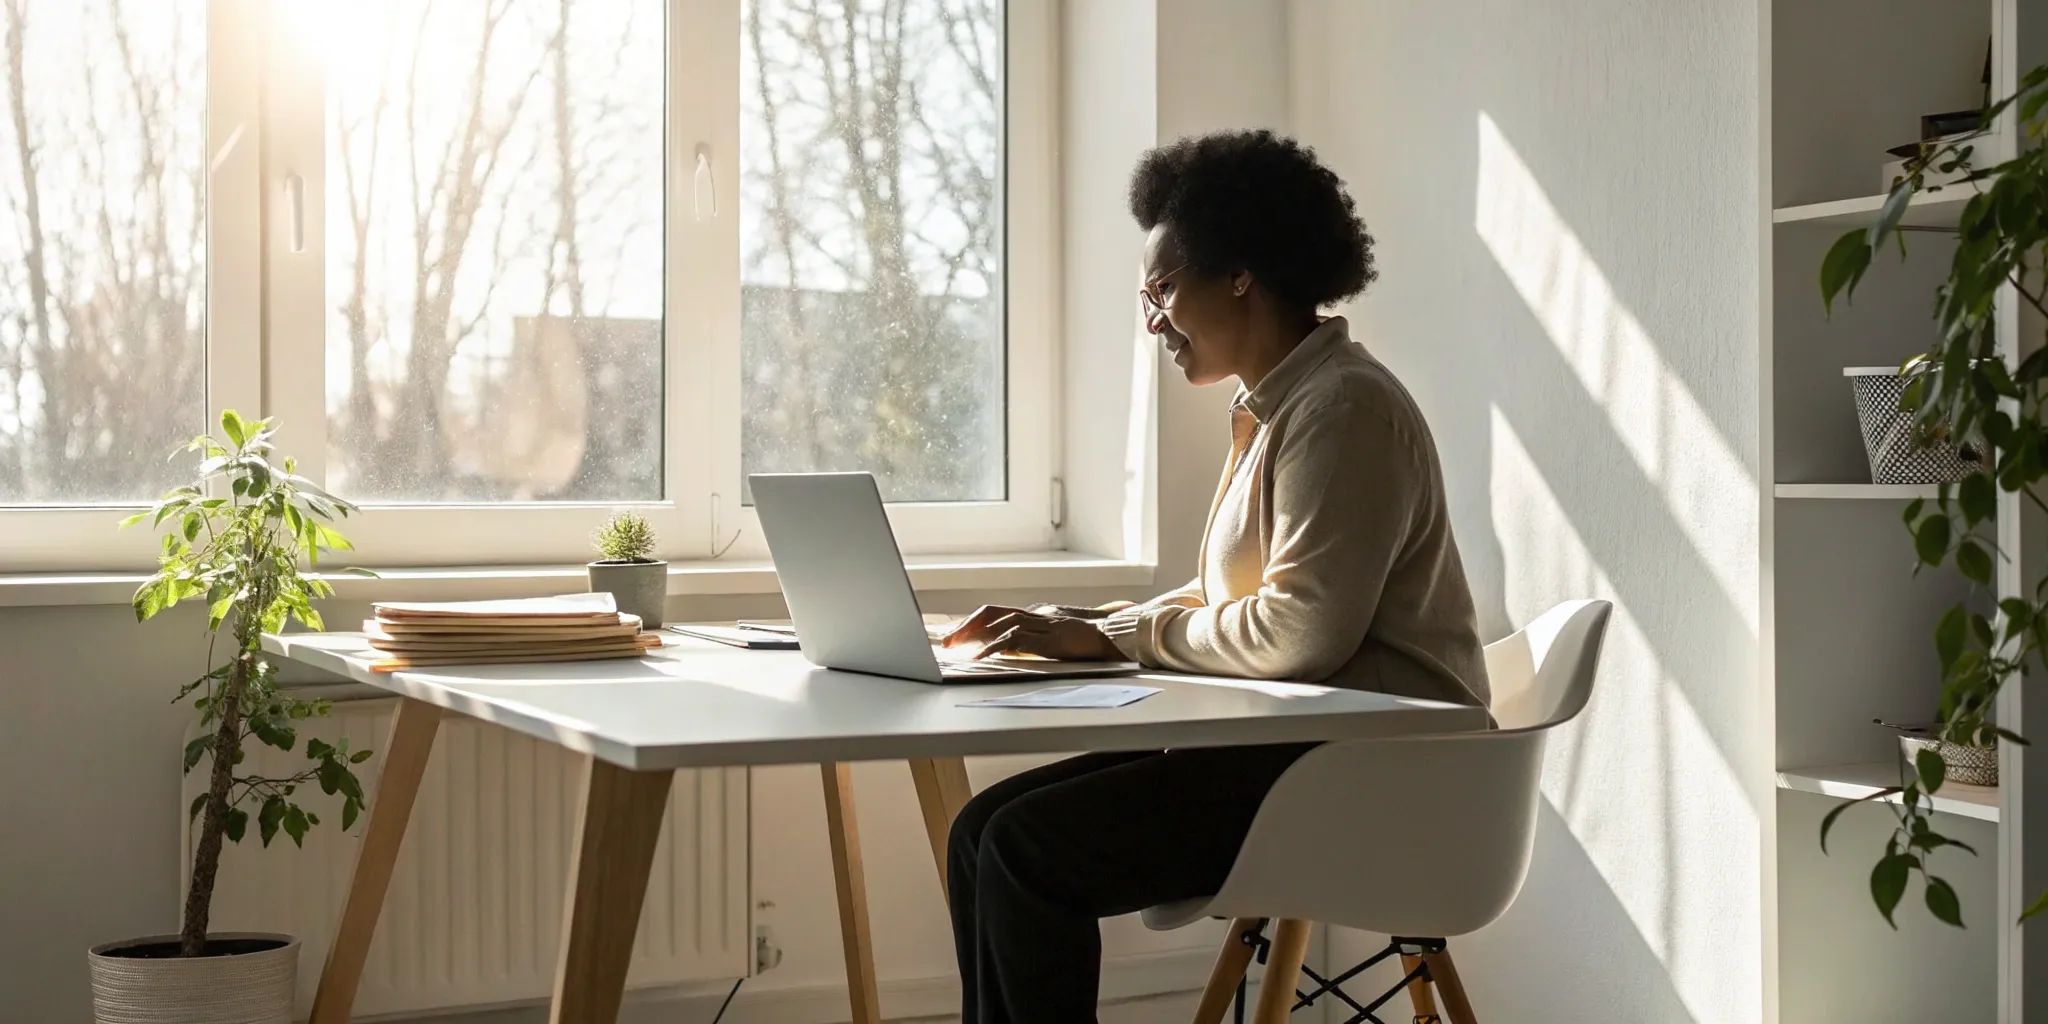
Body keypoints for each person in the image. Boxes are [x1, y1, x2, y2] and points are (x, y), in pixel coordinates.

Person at [933, 129, 1489, 1023]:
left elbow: (1301, 632)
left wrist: (1114, 638)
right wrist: (1084, 625)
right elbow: (1229, 602)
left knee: (1025, 851)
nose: (1152, 319)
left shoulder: (1343, 408)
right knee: (979, 835)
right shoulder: (1279, 408)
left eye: (1161, 290)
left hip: (1375, 778)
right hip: (1304, 753)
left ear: (1239, 273)